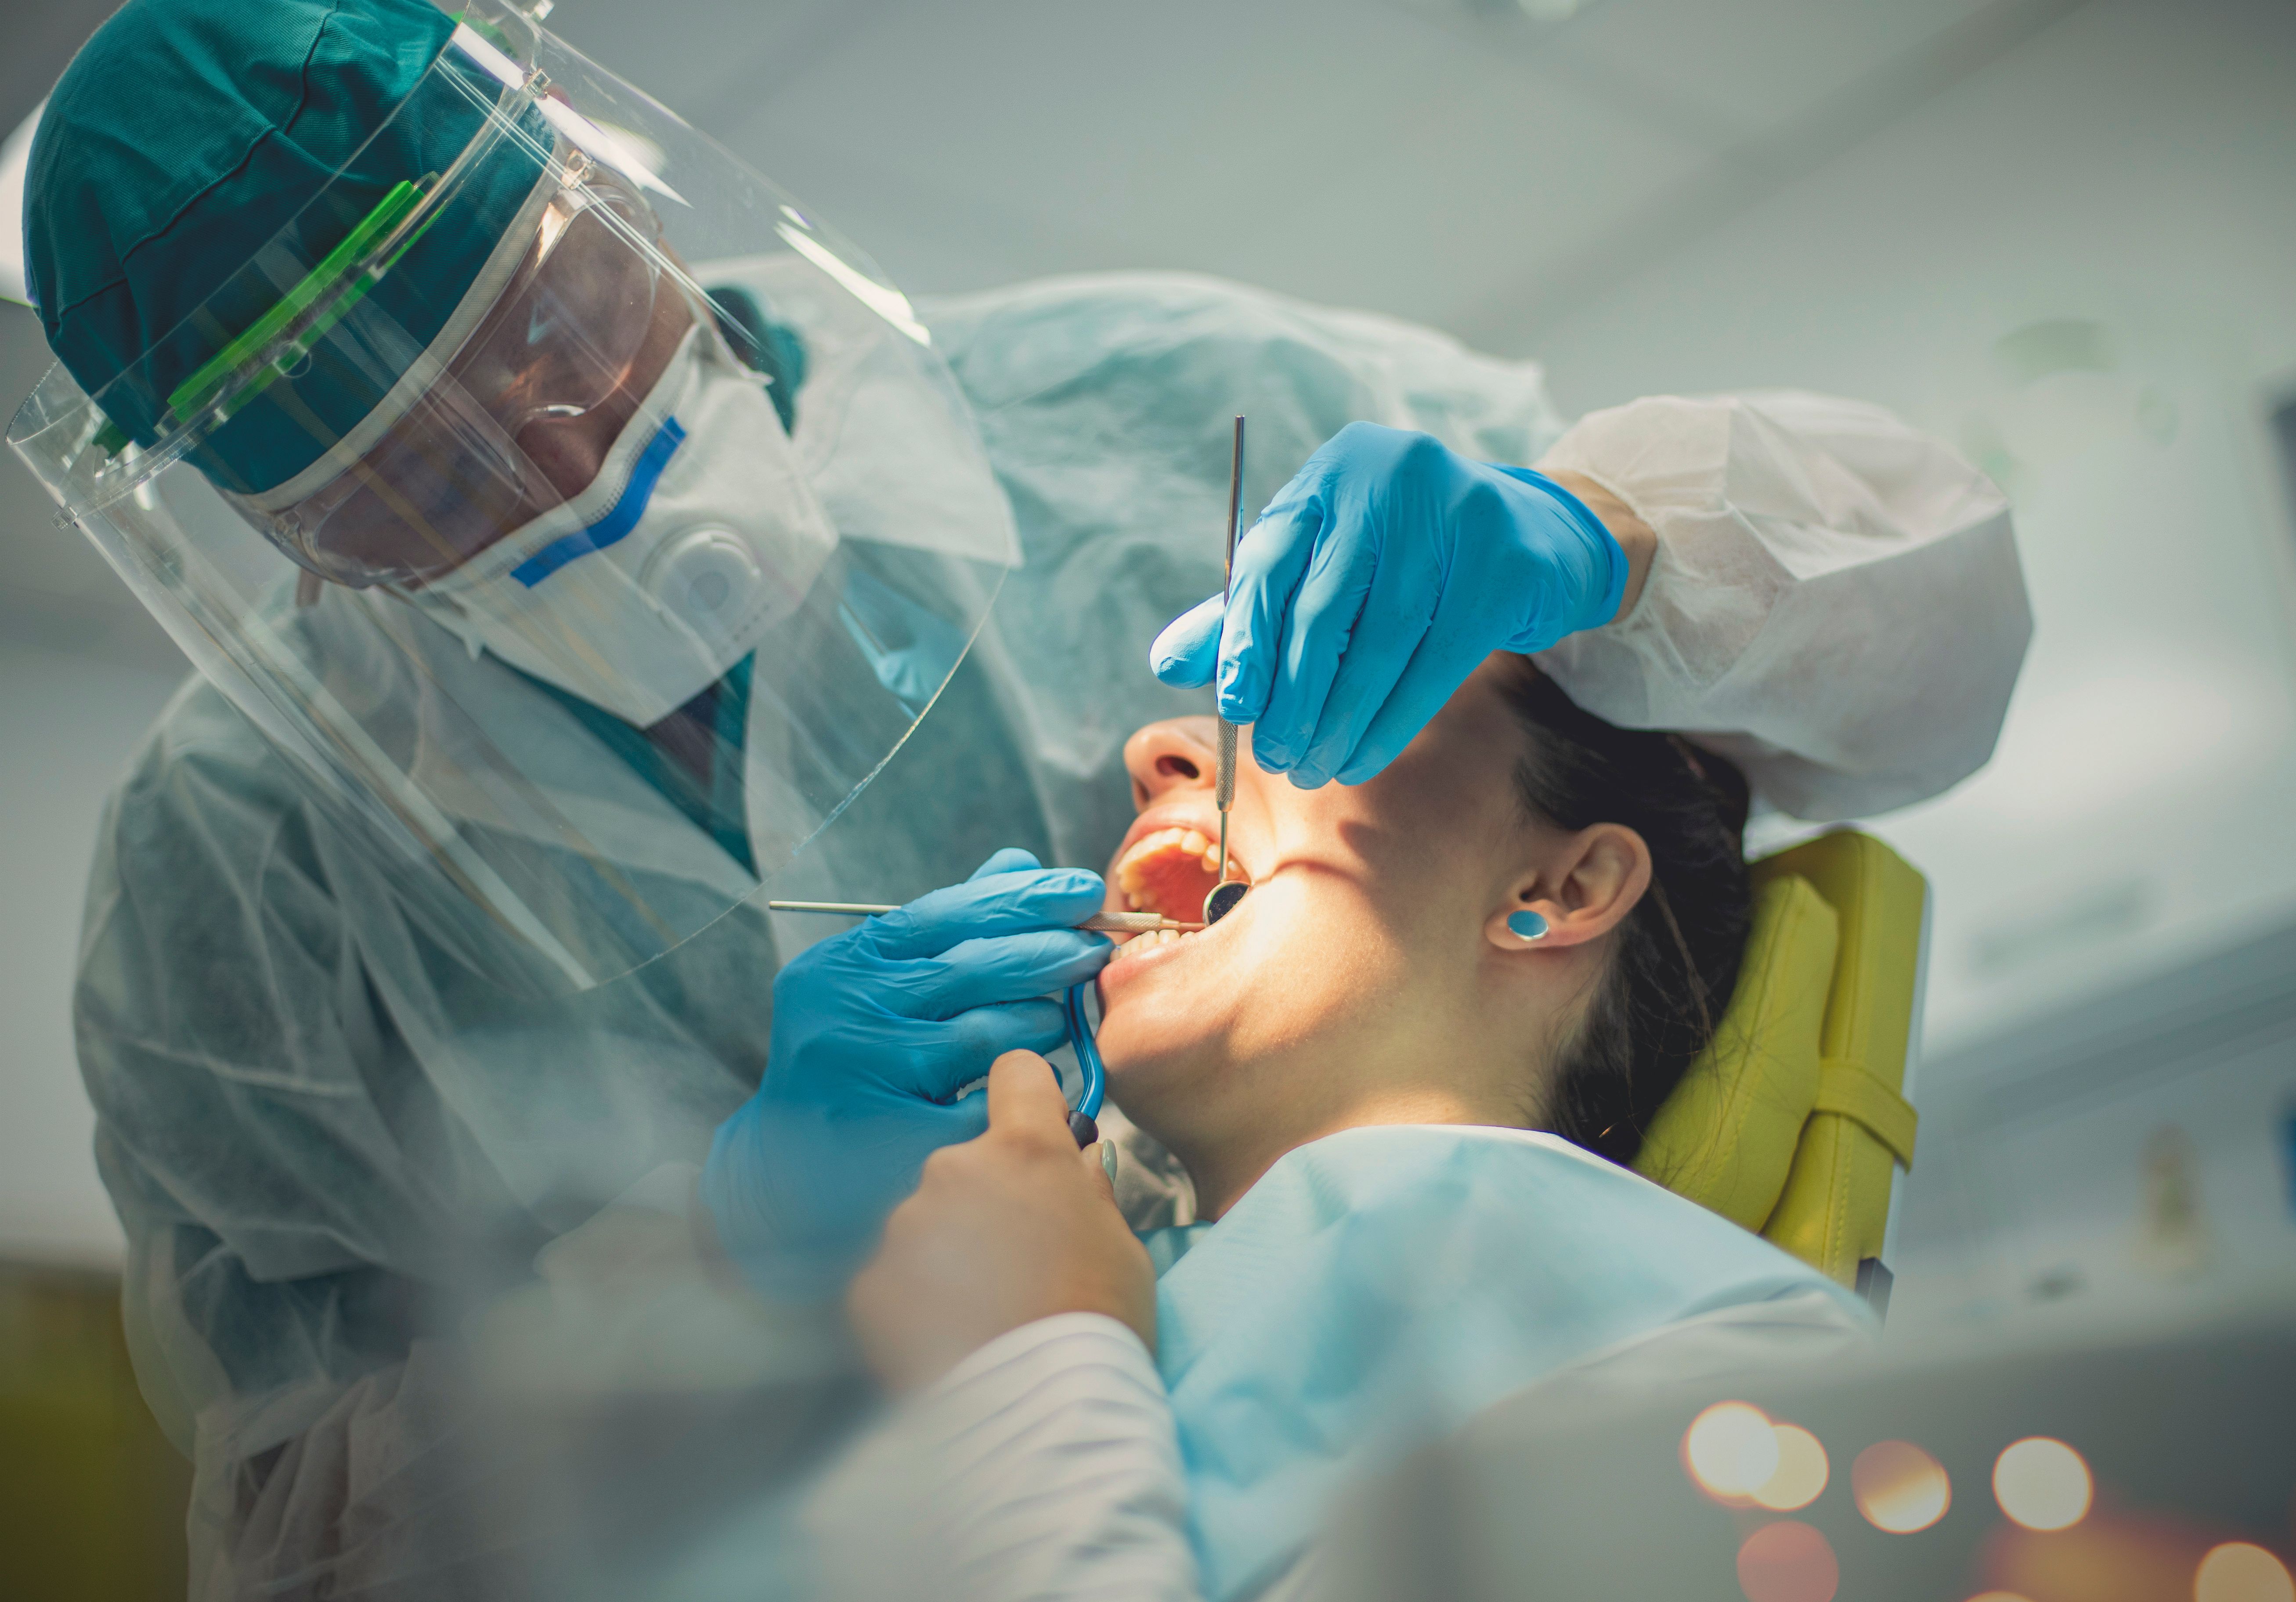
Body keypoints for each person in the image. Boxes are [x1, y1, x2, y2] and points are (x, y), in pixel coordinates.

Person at [7, 0, 2028, 1593]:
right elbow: (306, 1554)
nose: (533, 453)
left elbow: (1919, 625)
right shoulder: (251, 870)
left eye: (540, 326)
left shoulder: (1130, 410)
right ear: (265, 518)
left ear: (595, 182)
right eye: (405, 471)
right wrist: (720, 1251)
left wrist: (1595, 541)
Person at [801, 660, 1874, 1600]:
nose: (1152, 752)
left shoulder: (1740, 1373)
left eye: (1332, 691)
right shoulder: (1074, 1277)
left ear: (1559, 887)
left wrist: (1021, 1387)